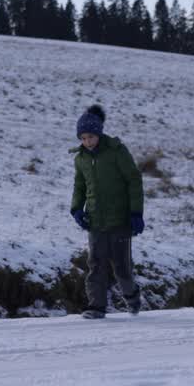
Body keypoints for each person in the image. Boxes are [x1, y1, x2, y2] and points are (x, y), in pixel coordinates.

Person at [70, 104, 145, 319]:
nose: (87, 142)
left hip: (120, 220)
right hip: (95, 221)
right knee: (96, 265)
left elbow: (134, 180)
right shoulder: (81, 159)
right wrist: (76, 209)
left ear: (99, 134)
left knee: (121, 267)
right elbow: (80, 186)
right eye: (83, 138)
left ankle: (132, 297)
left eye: (90, 137)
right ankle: (96, 306)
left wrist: (136, 213)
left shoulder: (116, 152)